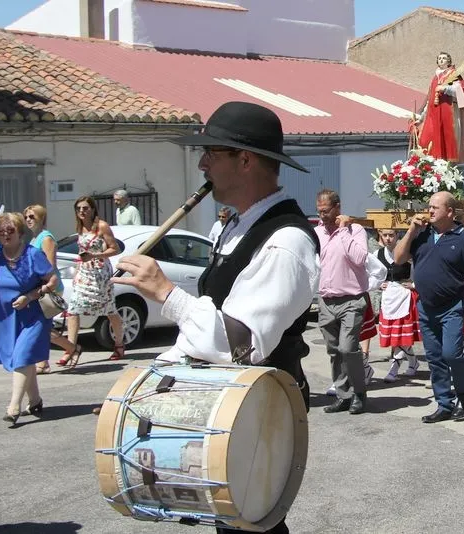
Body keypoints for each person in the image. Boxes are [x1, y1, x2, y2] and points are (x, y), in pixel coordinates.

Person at [112, 101, 318, 534]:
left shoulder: (285, 241)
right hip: (229, 407)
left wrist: (165, 292)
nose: (202, 163)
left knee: (249, 521)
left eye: (212, 153)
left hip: (261, 414)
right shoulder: (237, 226)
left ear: (245, 161)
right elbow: (213, 315)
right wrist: (146, 386)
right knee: (234, 523)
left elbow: (237, 343)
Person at [394, 192, 464, 423]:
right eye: (429, 207)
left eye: (435, 207)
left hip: (452, 307)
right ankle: (444, 404)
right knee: (435, 358)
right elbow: (398, 259)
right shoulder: (421, 235)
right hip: (425, 307)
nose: (430, 211)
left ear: (450, 212)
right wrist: (411, 231)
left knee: (452, 354)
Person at [0, 212, 58, 424]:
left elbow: (53, 279)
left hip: (33, 315)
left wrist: (29, 296)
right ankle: (35, 400)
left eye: (10, 230)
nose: (5, 234)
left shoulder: (32, 254)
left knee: (22, 355)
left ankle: (14, 407)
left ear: (20, 232)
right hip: (5, 318)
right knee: (23, 359)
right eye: (1, 231)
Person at [314, 189, 371, 415]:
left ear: (337, 207)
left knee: (348, 348)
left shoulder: (355, 230)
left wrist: (344, 230)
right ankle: (343, 394)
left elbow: (359, 258)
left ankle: (359, 393)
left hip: (352, 299)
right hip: (326, 300)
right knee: (334, 350)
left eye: (326, 211)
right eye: (319, 211)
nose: (322, 216)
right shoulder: (317, 232)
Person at [60, 196, 124, 366]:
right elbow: (82, 252)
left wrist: (95, 255)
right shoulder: (80, 227)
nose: (82, 211)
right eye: (79, 208)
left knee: (110, 310)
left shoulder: (102, 226)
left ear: (93, 209)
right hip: (84, 272)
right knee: (73, 309)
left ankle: (119, 344)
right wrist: (77, 273)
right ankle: (71, 348)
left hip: (100, 273)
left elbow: (114, 248)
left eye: (86, 208)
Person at [23, 204, 78, 373]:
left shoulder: (46, 238)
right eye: (26, 217)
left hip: (49, 287)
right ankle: (46, 360)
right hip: (38, 287)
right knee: (41, 326)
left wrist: (43, 286)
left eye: (32, 216)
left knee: (41, 326)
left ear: (41, 218)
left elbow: (49, 265)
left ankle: (70, 349)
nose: (28, 220)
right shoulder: (34, 238)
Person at [375, 228, 420, 382]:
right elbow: (371, 273)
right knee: (396, 334)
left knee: (401, 335)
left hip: (404, 297)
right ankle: (413, 363)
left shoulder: (407, 252)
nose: (388, 238)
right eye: (385, 235)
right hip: (388, 299)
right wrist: (378, 283)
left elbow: (420, 268)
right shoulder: (377, 255)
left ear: (397, 235)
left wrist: (414, 284)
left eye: (391, 235)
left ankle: (395, 367)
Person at [414, 51, 464, 164]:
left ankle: (447, 164)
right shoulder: (435, 78)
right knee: (428, 141)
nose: (441, 60)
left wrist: (445, 89)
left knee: (448, 141)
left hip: (448, 113)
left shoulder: (453, 75)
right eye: (439, 58)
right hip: (433, 114)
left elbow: (460, 92)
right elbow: (430, 100)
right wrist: (421, 117)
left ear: (449, 61)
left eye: (444, 58)